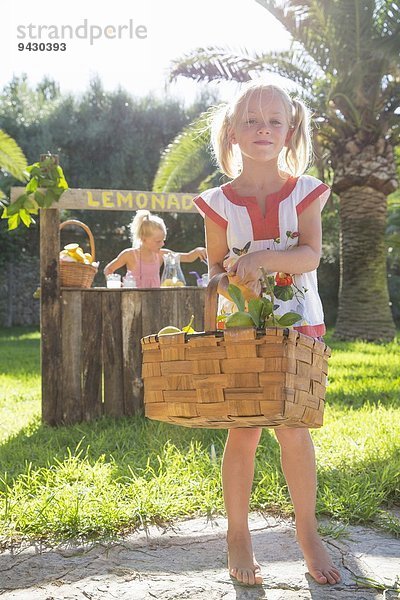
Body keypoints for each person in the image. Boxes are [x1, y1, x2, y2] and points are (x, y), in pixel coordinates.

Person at [193, 81, 341, 586]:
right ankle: (238, 534)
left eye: (274, 121)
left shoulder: (304, 191)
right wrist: (233, 270)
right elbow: (215, 267)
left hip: (298, 326)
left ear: (289, 130)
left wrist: (259, 258)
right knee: (244, 431)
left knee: (294, 432)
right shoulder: (217, 203)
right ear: (232, 132)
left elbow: (309, 254)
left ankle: (307, 533)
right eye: (251, 121)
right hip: (240, 332)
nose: (263, 129)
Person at [103, 210, 207, 287]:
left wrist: (197, 251)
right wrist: (118, 284)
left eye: (163, 240)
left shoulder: (162, 255)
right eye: (158, 241)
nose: (162, 244)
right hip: (132, 300)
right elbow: (108, 269)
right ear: (143, 239)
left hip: (155, 301)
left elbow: (187, 257)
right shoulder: (129, 255)